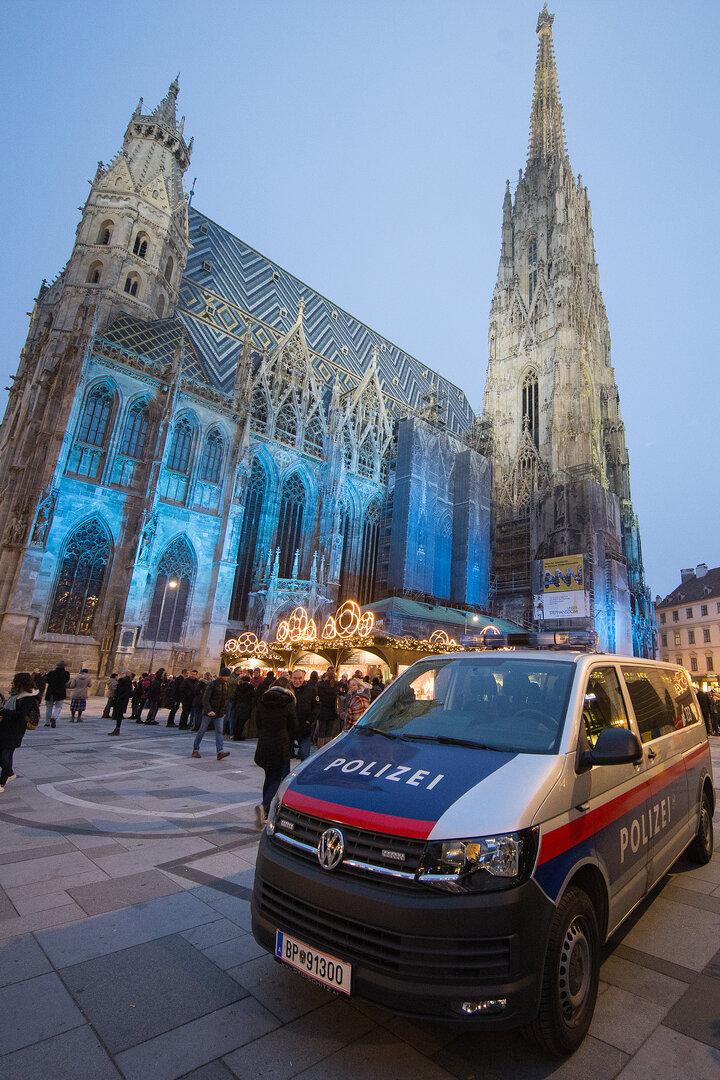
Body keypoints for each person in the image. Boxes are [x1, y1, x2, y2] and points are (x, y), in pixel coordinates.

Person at [254, 675, 296, 827]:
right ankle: (265, 807)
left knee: (269, 776)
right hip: (280, 744)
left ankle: (265, 806)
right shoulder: (288, 702)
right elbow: (293, 725)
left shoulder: (263, 701)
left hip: (264, 743)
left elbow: (257, 722)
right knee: (277, 778)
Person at [0, 672, 40, 791]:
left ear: (21, 683)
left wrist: (3, 712)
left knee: (5, 755)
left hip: (15, 729)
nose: (13, 682)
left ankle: (2, 782)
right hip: (5, 727)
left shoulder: (29, 697)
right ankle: (10, 773)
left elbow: (21, 714)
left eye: (15, 680)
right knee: (3, 754)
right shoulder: (16, 694)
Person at [191, 667, 231, 760]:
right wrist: (209, 710)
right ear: (222, 676)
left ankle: (220, 751)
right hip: (209, 713)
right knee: (202, 731)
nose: (228, 678)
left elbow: (225, 699)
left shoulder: (226, 685)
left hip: (219, 713)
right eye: (226, 676)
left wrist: (224, 711)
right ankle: (195, 750)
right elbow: (205, 698)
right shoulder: (212, 684)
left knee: (219, 732)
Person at [290, 668, 319, 760]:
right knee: (285, 756)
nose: (297, 681)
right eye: (295, 678)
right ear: (291, 678)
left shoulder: (311, 689)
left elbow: (317, 707)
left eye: (300, 678)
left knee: (304, 754)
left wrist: (309, 721)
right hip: (289, 726)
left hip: (305, 726)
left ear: (303, 678)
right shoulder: (287, 689)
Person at [315, 669, 340, 747]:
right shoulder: (335, 686)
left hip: (322, 710)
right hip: (332, 711)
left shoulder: (320, 685)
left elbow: (318, 698)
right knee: (329, 731)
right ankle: (327, 747)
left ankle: (320, 748)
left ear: (327, 677)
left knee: (321, 731)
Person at [43, 661, 70, 727]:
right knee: (58, 706)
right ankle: (54, 717)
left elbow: (46, 680)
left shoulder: (51, 673)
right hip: (60, 692)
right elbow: (67, 681)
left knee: (49, 707)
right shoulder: (66, 673)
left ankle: (47, 722)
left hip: (51, 691)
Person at [233, 675, 254, 740]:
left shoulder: (238, 687)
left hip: (238, 706)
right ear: (249, 680)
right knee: (242, 722)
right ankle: (239, 735)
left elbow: (235, 697)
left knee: (237, 721)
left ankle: (235, 735)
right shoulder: (251, 687)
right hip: (246, 706)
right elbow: (253, 696)